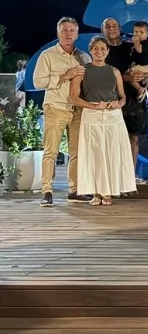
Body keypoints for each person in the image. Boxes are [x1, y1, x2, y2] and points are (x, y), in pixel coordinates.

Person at [67, 35, 135, 206]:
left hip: (113, 116)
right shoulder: (82, 70)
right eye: (96, 48)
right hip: (92, 114)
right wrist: (93, 106)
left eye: (103, 48)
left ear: (108, 51)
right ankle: (96, 192)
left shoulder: (114, 71)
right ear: (90, 51)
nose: (99, 51)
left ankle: (109, 192)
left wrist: (118, 103)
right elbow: (73, 97)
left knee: (111, 153)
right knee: (93, 154)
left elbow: (123, 97)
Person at [34, 16, 92, 207]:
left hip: (77, 110)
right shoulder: (47, 55)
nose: (68, 34)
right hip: (56, 107)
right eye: (64, 30)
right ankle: (47, 191)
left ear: (76, 34)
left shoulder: (84, 57)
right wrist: (64, 76)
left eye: (72, 30)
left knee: (76, 152)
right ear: (58, 33)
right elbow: (38, 82)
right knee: (51, 151)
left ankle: (74, 190)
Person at [101, 18, 148, 185]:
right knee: (111, 139)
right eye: (107, 26)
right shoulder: (101, 49)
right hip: (110, 99)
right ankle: (112, 176)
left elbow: (146, 64)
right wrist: (125, 77)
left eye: (114, 25)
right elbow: (101, 72)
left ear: (120, 28)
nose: (111, 29)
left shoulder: (131, 46)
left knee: (133, 137)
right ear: (103, 31)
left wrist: (143, 76)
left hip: (133, 99)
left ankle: (130, 175)